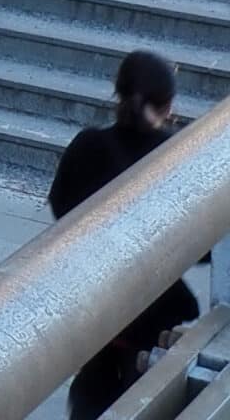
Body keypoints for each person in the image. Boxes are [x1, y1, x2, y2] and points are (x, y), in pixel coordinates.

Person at [49, 50, 201, 419]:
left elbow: (60, 205)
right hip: (154, 314)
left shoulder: (87, 147)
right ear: (166, 106)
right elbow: (200, 242)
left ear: (118, 93)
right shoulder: (173, 155)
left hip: (96, 306)